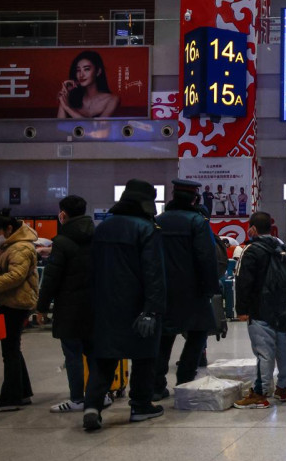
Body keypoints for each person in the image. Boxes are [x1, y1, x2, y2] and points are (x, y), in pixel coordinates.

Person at [83, 180, 167, 431]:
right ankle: (140, 405)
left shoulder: (103, 227)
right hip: (138, 305)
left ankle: (92, 406)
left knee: (105, 357)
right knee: (144, 356)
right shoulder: (146, 229)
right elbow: (154, 273)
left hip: (104, 305)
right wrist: (152, 309)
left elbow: (90, 269)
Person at [153, 180, 221, 402]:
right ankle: (184, 380)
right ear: (195, 199)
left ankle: (157, 385)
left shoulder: (157, 222)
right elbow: (207, 257)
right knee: (198, 332)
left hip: (162, 290)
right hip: (193, 290)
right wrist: (211, 288)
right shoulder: (197, 222)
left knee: (164, 336)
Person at [35, 196, 99, 413]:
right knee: (94, 353)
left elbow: (51, 278)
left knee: (72, 354)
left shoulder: (61, 241)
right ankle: (98, 396)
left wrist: (41, 307)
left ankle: (77, 399)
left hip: (69, 307)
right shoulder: (97, 236)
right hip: (95, 306)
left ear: (63, 214)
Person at [0, 212, 39, 412]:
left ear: (9, 229)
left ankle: (11, 397)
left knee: (9, 351)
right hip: (11, 301)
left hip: (16, 303)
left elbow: (16, 276)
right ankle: (22, 392)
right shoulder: (10, 244)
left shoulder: (20, 247)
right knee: (13, 348)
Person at [233, 212, 286, 410]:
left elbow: (243, 282)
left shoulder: (251, 249)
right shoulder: (282, 248)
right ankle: (283, 388)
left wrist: (242, 310)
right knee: (284, 347)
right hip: (283, 308)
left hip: (260, 309)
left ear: (252, 229)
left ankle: (259, 393)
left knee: (264, 352)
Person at [57, 50, 120, 118]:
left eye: (86, 69)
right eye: (78, 70)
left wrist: (68, 108)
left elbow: (97, 126)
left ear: (98, 72)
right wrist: (64, 96)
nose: (81, 75)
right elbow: (59, 125)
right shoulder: (72, 97)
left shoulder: (112, 99)